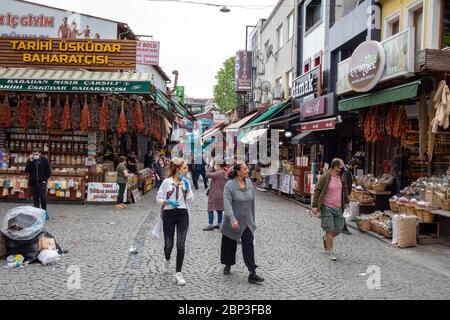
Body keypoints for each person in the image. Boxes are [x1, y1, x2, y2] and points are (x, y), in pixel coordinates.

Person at [220, 163, 264, 284]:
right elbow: (227, 204)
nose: (248, 170)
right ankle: (228, 264)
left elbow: (252, 202)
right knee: (229, 244)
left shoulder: (249, 183)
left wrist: (253, 220)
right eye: (245, 169)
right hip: (232, 222)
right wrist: (232, 219)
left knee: (249, 244)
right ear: (238, 172)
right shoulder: (229, 185)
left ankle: (252, 272)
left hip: (247, 222)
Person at [156, 157, 194, 286]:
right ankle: (167, 259)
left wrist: (188, 189)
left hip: (183, 214)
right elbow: (158, 198)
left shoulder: (186, 182)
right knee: (169, 245)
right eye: (184, 168)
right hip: (169, 214)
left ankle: (178, 272)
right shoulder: (166, 182)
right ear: (177, 169)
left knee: (181, 244)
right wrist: (167, 201)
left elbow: (191, 200)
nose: (186, 170)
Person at [311, 158, 349, 261]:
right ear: (336, 167)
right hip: (326, 207)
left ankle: (326, 239)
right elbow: (317, 191)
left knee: (338, 229)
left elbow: (344, 189)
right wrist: (314, 206)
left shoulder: (342, 177)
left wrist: (347, 201)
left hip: (338, 207)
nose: (343, 169)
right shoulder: (325, 177)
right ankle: (330, 251)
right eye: (341, 166)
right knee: (329, 230)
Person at [25, 148, 52, 220]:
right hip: (33, 183)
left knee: (43, 198)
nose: (35, 156)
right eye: (33, 154)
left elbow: (49, 171)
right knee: (35, 199)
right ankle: (37, 215)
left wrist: (44, 179)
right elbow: (27, 170)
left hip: (42, 182)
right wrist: (30, 161)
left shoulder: (44, 160)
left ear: (39, 153)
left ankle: (44, 212)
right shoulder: (30, 160)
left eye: (36, 154)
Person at [203, 163, 228, 231]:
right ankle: (219, 223)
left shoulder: (218, 173)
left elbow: (207, 174)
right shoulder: (225, 173)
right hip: (221, 194)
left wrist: (210, 167)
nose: (215, 166)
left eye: (216, 165)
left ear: (219, 166)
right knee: (219, 209)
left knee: (210, 209)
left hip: (214, 194)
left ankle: (210, 225)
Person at [341, 159, 358, 235]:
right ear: (351, 165)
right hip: (344, 194)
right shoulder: (346, 171)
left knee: (342, 210)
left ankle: (341, 227)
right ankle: (343, 228)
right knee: (343, 211)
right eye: (354, 167)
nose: (354, 168)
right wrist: (347, 195)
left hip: (344, 193)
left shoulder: (347, 170)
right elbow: (345, 184)